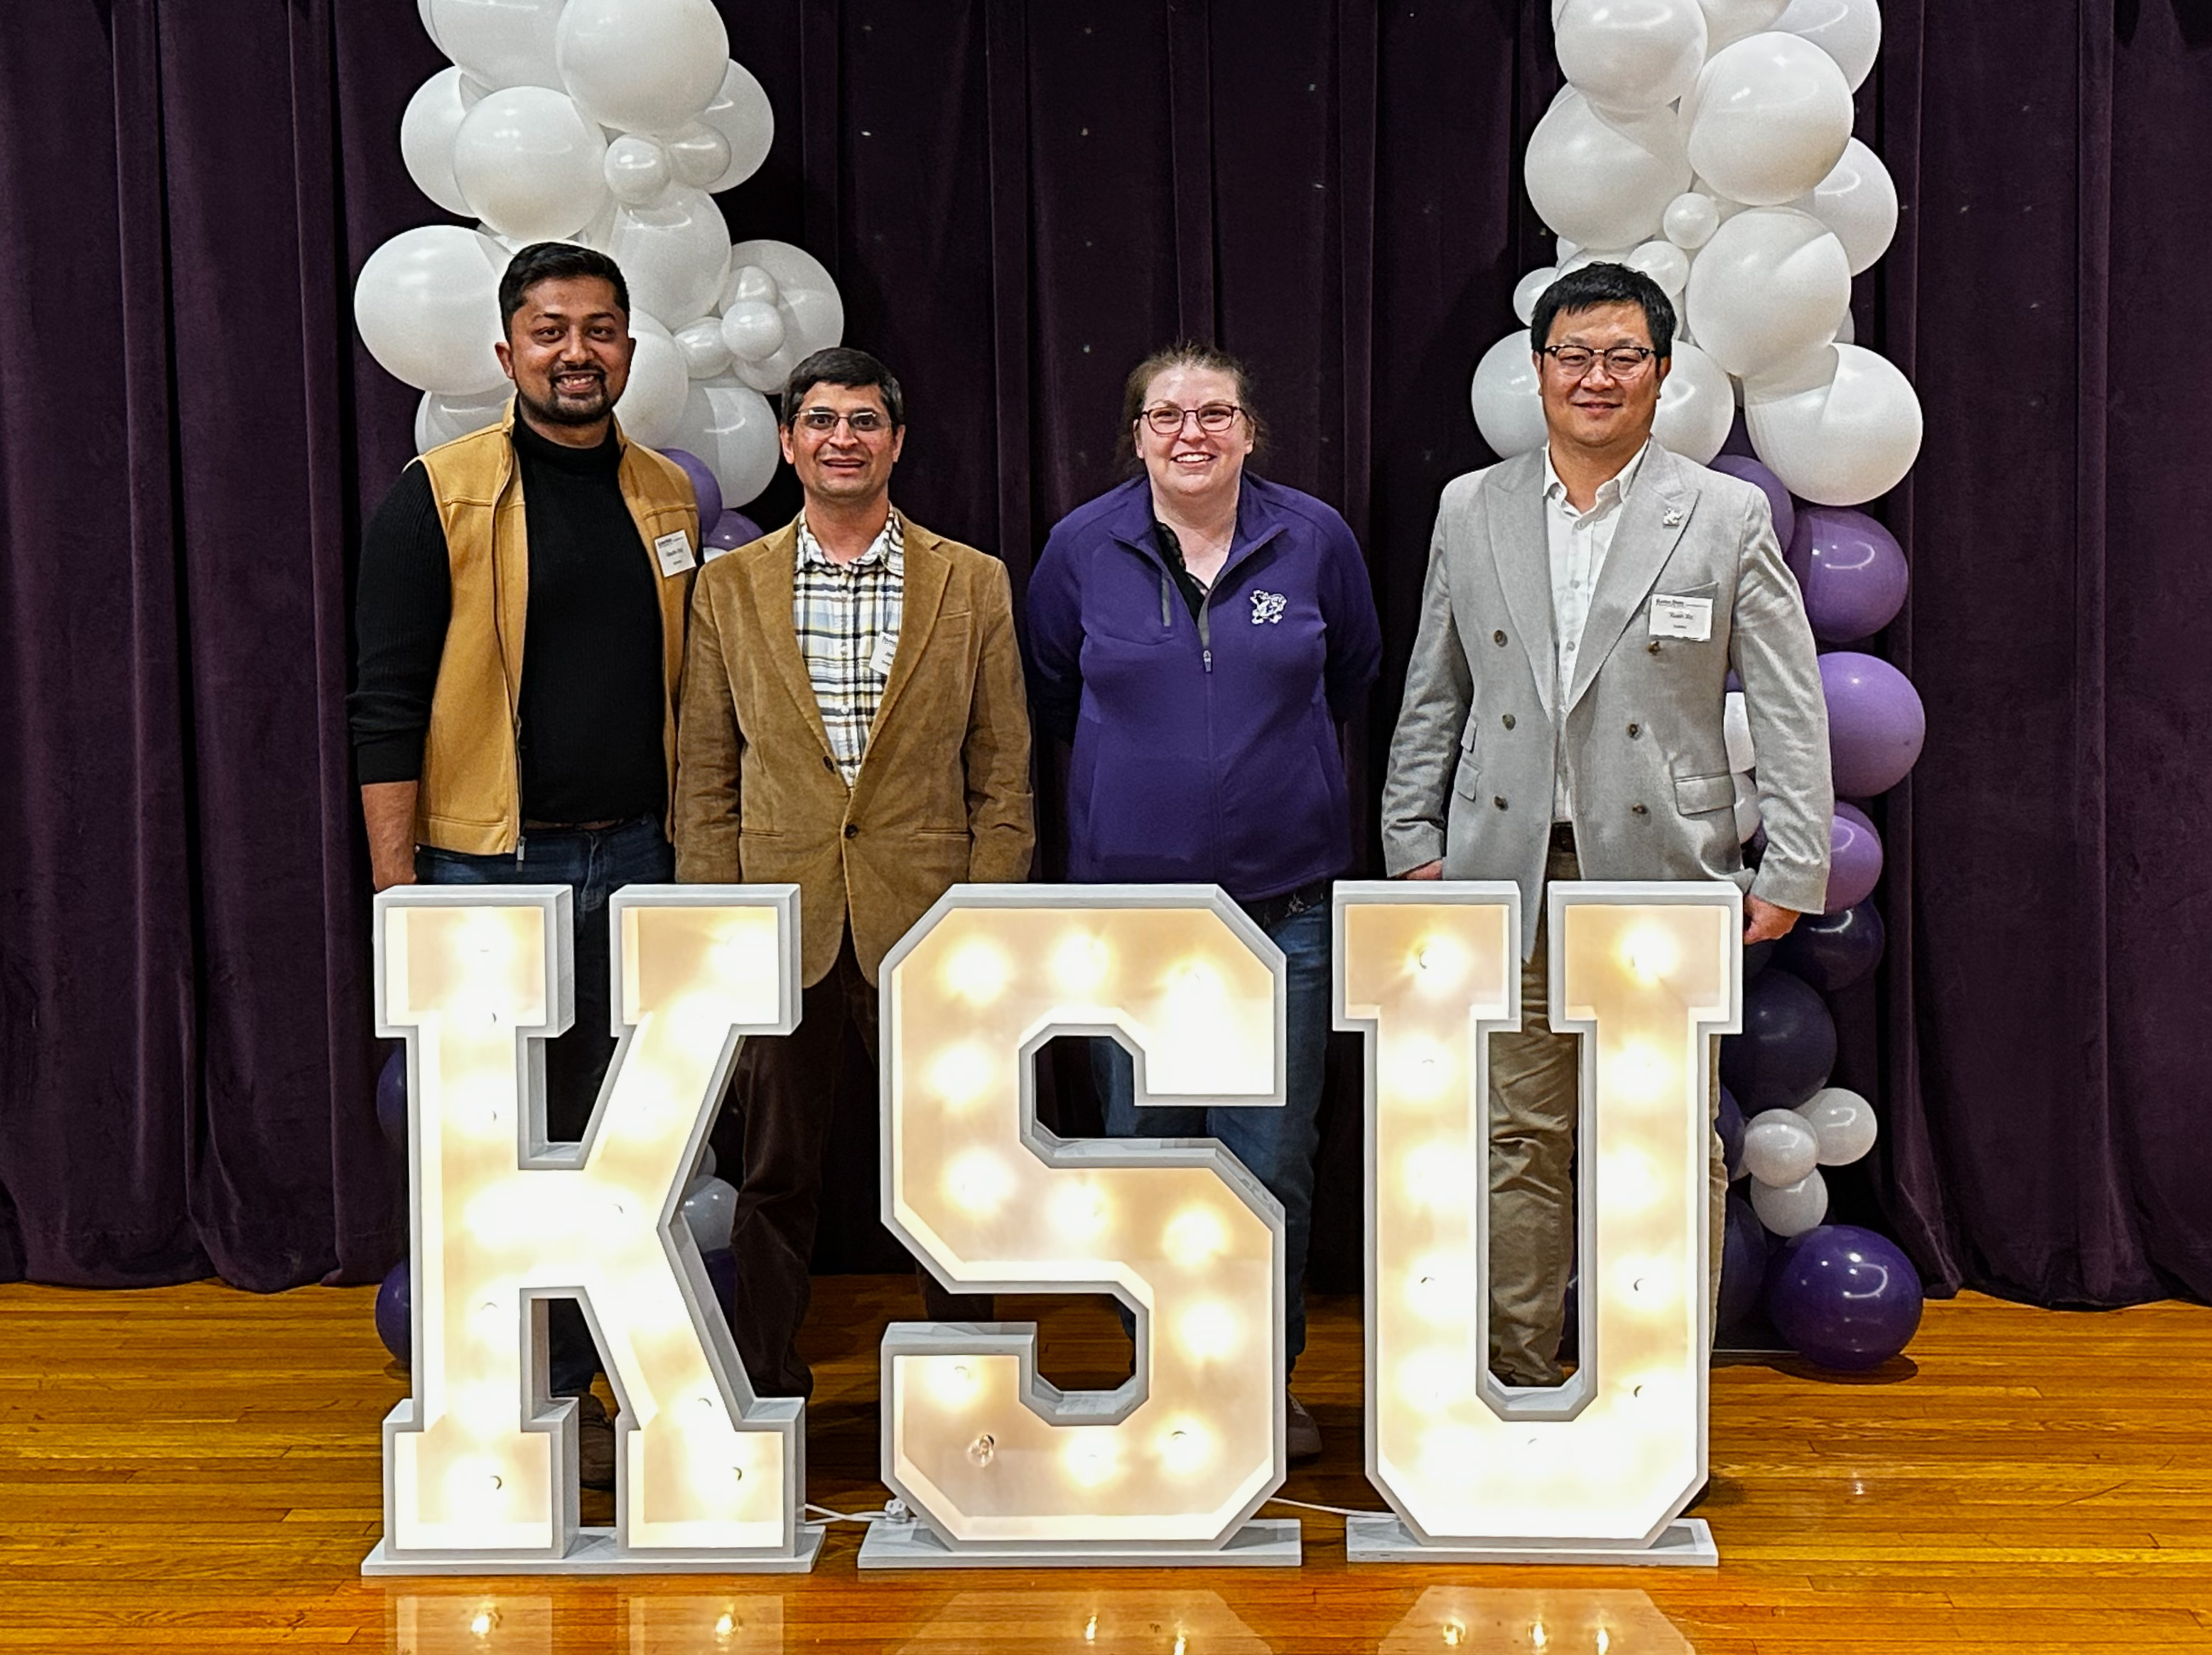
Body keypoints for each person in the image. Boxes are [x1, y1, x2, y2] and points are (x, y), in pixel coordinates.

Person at [1381, 262, 1833, 1387]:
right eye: (1573, 355)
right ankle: (1518, 1376)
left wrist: (1794, 859)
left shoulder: (1723, 512)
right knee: (1515, 1134)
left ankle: (1652, 1389)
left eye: (1621, 356)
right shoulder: (1469, 506)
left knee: (1666, 1136)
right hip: (1508, 871)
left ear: (1662, 373)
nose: (1595, 377)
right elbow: (1433, 689)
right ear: (1537, 371)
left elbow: (1785, 697)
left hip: (1663, 877)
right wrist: (1412, 840)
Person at [349, 242, 703, 1483]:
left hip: (643, 860)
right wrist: (402, 896)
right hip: (483, 870)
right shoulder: (437, 495)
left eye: (599, 330)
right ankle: (509, 1392)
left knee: (622, 1142)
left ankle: (608, 1388)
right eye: (549, 331)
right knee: (495, 1139)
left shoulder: (667, 495)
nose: (576, 353)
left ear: (628, 352)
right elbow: (383, 703)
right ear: (506, 354)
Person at [1024, 343, 1383, 1460]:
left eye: (1214, 413)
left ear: (1247, 431)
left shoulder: (1312, 538)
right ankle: (1163, 1375)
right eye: (1167, 414)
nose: (1191, 432)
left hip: (1286, 911)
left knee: (1269, 1161)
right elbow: (1049, 691)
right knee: (1146, 1159)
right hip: (1133, 926)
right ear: (1134, 434)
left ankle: (1254, 1385)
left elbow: (1354, 676)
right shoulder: (1080, 548)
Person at [674, 347, 1035, 1399]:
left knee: (952, 1166)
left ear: (897, 441)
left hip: (928, 924)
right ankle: (762, 1387)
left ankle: (972, 1389)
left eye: (865, 420)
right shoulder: (728, 588)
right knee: (777, 1172)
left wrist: (988, 916)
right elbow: (706, 772)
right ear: (788, 442)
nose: (843, 438)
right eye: (821, 420)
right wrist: (718, 925)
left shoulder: (970, 581)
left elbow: (1002, 770)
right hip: (782, 923)